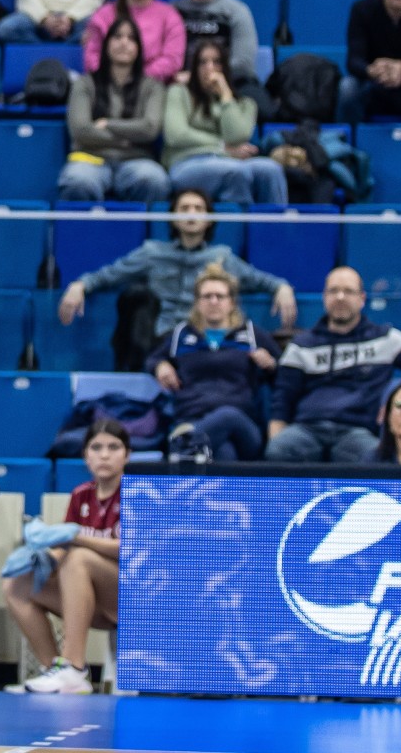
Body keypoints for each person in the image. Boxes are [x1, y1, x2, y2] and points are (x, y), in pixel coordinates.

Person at [59, 188, 297, 337]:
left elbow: (261, 280)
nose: (191, 213)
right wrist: (80, 285)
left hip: (200, 339)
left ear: (209, 220)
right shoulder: (152, 252)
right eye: (184, 208)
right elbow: (110, 274)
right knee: (135, 296)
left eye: (198, 208)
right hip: (158, 339)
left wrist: (282, 287)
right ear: (173, 218)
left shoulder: (222, 257)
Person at [267, 266, 401, 464]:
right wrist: (274, 441)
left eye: (348, 291)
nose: (340, 297)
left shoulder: (384, 339)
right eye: (334, 291)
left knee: (375, 460)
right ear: (324, 297)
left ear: (362, 298)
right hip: (307, 429)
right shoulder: (301, 345)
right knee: (278, 450)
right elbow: (282, 399)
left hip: (357, 430)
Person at [3, 418, 124, 696]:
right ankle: (55, 669)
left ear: (127, 455)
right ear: (85, 456)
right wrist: (41, 556)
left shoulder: (137, 493)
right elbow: (64, 546)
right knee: (17, 585)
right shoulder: (81, 495)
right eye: (96, 447)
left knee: (78, 558)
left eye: (114, 447)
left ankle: (74, 666)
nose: (104, 455)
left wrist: (75, 538)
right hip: (88, 598)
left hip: (129, 596)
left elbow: (131, 549)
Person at [146, 264, 279, 463]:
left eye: (220, 296)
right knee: (224, 452)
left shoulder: (251, 335)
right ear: (197, 303)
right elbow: (152, 359)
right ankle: (193, 445)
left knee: (227, 415)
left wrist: (270, 364)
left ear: (232, 302)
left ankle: (184, 445)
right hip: (192, 417)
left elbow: (283, 373)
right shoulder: (181, 335)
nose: (213, 301)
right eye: (207, 296)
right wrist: (160, 365)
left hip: (244, 425)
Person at [58, 16, 168, 204]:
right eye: (117, 37)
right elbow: (81, 130)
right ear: (106, 44)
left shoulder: (153, 87)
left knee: (153, 179)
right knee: (77, 180)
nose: (124, 43)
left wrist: (108, 124)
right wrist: (125, 140)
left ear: (139, 48)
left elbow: (150, 128)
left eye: (131, 38)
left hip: (137, 161)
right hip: (90, 159)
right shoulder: (84, 83)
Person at [162, 40, 286, 205]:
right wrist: (221, 147)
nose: (210, 68)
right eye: (202, 62)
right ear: (194, 68)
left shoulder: (245, 103)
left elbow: (236, 136)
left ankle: (276, 220)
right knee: (235, 171)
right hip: (187, 162)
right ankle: (238, 220)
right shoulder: (178, 93)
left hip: (231, 161)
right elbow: (176, 135)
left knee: (271, 169)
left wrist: (226, 96)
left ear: (226, 67)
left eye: (217, 62)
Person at [173, 0, 267, 107]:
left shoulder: (237, 11)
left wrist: (200, 76)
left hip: (229, 81)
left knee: (262, 108)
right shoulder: (172, 11)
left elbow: (243, 63)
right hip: (181, 84)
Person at [82, 0, 185, 82]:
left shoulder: (169, 15)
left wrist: (137, 79)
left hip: (152, 85)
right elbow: (92, 56)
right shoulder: (103, 15)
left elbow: (172, 59)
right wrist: (114, 78)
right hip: (107, 83)